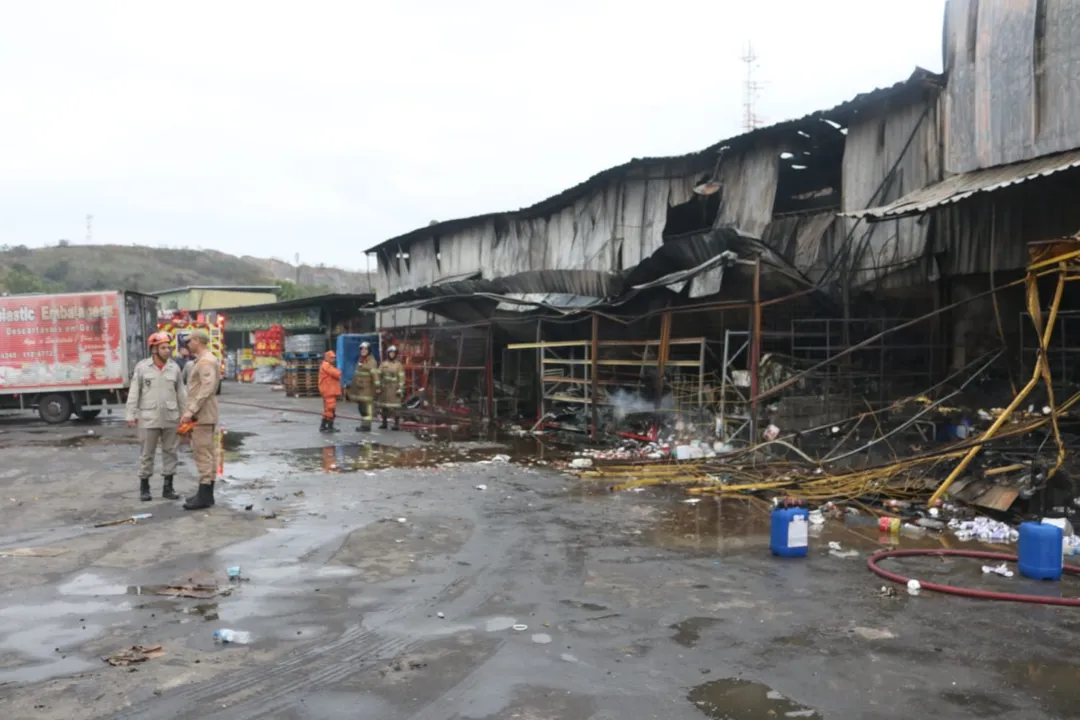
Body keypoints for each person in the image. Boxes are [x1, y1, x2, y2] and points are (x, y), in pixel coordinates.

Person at [125, 332, 186, 502]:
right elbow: (134, 392)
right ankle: (145, 487)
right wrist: (131, 413)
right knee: (147, 453)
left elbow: (181, 393)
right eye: (163, 347)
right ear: (154, 349)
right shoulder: (142, 368)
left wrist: (186, 414)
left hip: (170, 417)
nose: (168, 350)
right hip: (148, 417)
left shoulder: (174, 368)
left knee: (171, 452)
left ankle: (168, 487)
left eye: (168, 347)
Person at [180, 328, 221, 510]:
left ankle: (204, 495)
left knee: (202, 454)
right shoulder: (204, 360)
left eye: (189, 341)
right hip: (204, 414)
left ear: (197, 341)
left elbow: (207, 387)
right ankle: (206, 493)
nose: (187, 345)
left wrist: (191, 410)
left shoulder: (205, 361)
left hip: (202, 415)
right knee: (208, 454)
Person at [347, 341, 379, 432]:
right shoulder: (361, 360)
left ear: (369, 350)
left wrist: (377, 387)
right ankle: (364, 425)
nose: (363, 351)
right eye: (362, 349)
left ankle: (366, 426)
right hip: (360, 390)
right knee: (361, 408)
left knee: (366, 408)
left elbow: (375, 375)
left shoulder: (371, 361)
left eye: (365, 349)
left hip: (367, 389)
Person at [377, 345, 406, 430]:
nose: (392, 354)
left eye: (394, 353)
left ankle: (396, 424)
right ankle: (384, 423)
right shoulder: (383, 364)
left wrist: (401, 388)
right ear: (388, 353)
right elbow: (378, 375)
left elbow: (401, 378)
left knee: (396, 407)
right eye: (391, 353)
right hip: (384, 388)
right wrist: (377, 386)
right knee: (384, 406)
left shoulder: (398, 365)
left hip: (394, 389)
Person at [318, 350, 342, 433]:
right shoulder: (327, 365)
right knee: (330, 409)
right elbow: (337, 373)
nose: (333, 359)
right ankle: (330, 427)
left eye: (334, 358)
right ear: (327, 357)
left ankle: (323, 426)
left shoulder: (326, 365)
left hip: (328, 390)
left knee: (328, 409)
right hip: (329, 390)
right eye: (332, 357)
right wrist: (338, 371)